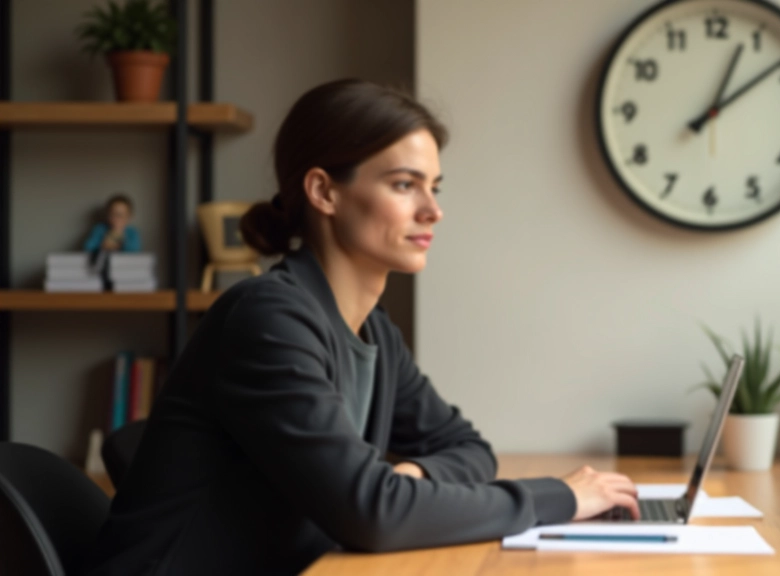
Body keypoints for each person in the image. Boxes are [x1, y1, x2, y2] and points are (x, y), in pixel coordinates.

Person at [85, 79, 639, 576]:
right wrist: (559, 498)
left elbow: (465, 447)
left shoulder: (371, 328)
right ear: (324, 192)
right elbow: (372, 514)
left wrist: (412, 480)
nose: (432, 210)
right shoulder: (268, 320)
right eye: (405, 185)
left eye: (435, 187)